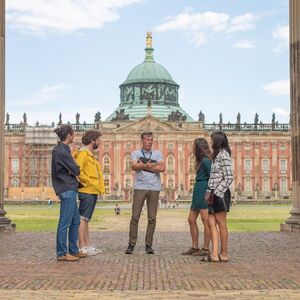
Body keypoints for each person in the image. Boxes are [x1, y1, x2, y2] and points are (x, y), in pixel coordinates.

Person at [125, 131, 165, 254]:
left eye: (151, 140)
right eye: (147, 139)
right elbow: (133, 166)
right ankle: (131, 244)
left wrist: (143, 165)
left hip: (154, 188)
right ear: (142, 141)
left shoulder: (158, 153)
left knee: (152, 218)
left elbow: (162, 168)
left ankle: (148, 245)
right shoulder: (135, 153)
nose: (150, 142)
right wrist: (151, 165)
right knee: (135, 217)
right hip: (140, 187)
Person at [51, 125, 87, 262]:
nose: (74, 136)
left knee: (75, 221)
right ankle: (61, 253)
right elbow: (76, 170)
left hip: (69, 188)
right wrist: (73, 165)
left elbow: (72, 170)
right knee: (65, 222)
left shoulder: (61, 150)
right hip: (66, 189)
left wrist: (72, 169)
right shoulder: (62, 151)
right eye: (73, 134)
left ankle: (73, 250)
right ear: (69, 135)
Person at [202, 131, 233, 263]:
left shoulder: (224, 154)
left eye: (212, 140)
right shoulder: (217, 155)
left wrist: (217, 193)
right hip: (213, 194)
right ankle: (214, 254)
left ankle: (224, 253)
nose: (210, 142)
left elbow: (229, 177)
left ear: (218, 141)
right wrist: (210, 192)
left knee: (221, 223)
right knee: (211, 222)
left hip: (219, 194)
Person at [74, 130, 105, 256]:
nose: (99, 142)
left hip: (91, 190)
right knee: (82, 219)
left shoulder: (89, 154)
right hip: (87, 190)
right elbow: (78, 170)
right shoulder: (83, 153)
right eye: (98, 139)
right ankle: (82, 246)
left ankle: (87, 245)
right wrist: (89, 182)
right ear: (92, 140)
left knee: (85, 219)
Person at [182, 138, 211, 256]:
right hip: (198, 191)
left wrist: (208, 193)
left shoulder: (206, 160)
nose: (192, 149)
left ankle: (205, 248)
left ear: (199, 148)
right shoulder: (201, 161)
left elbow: (212, 177)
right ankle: (194, 247)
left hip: (204, 191)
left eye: (194, 146)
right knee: (191, 220)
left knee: (206, 221)